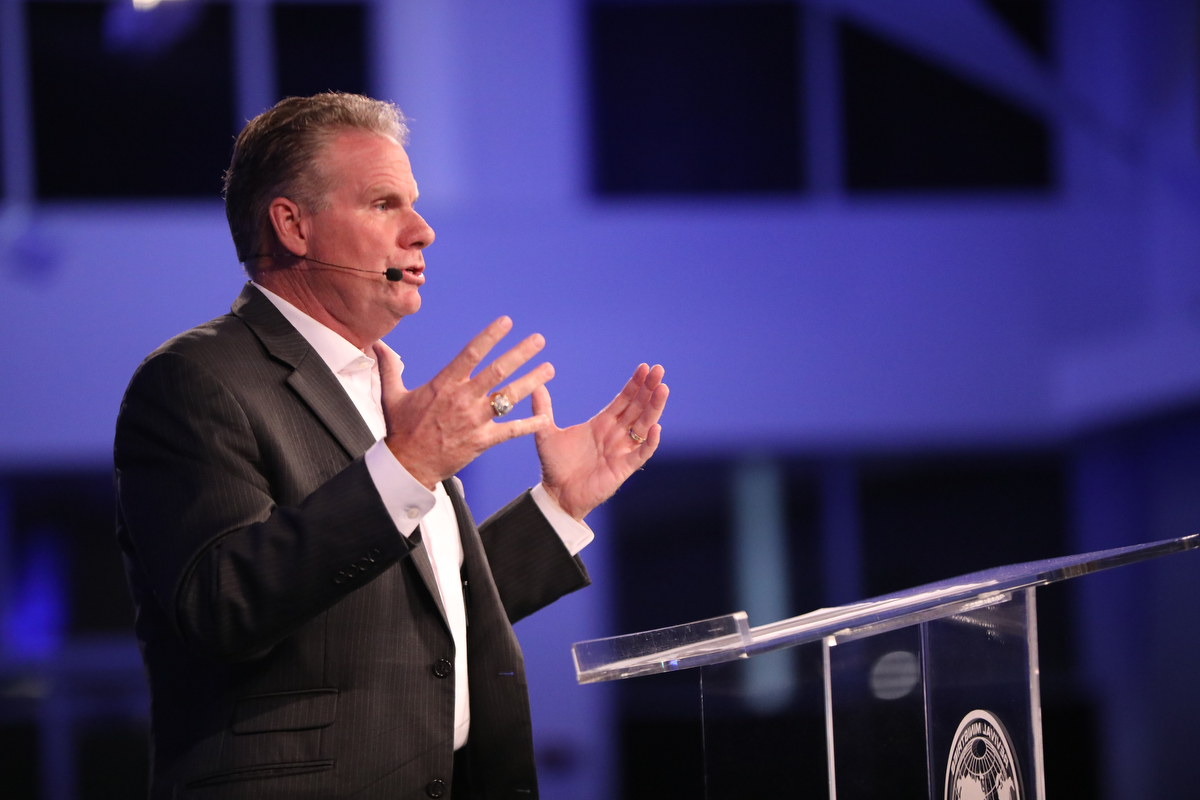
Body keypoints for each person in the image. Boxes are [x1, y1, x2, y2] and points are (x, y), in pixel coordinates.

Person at [113, 92, 668, 800]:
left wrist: (558, 506)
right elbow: (223, 607)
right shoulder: (196, 379)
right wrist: (410, 464)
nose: (423, 231)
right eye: (384, 204)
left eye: (414, 205)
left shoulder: (379, 384)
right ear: (293, 226)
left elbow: (411, 613)